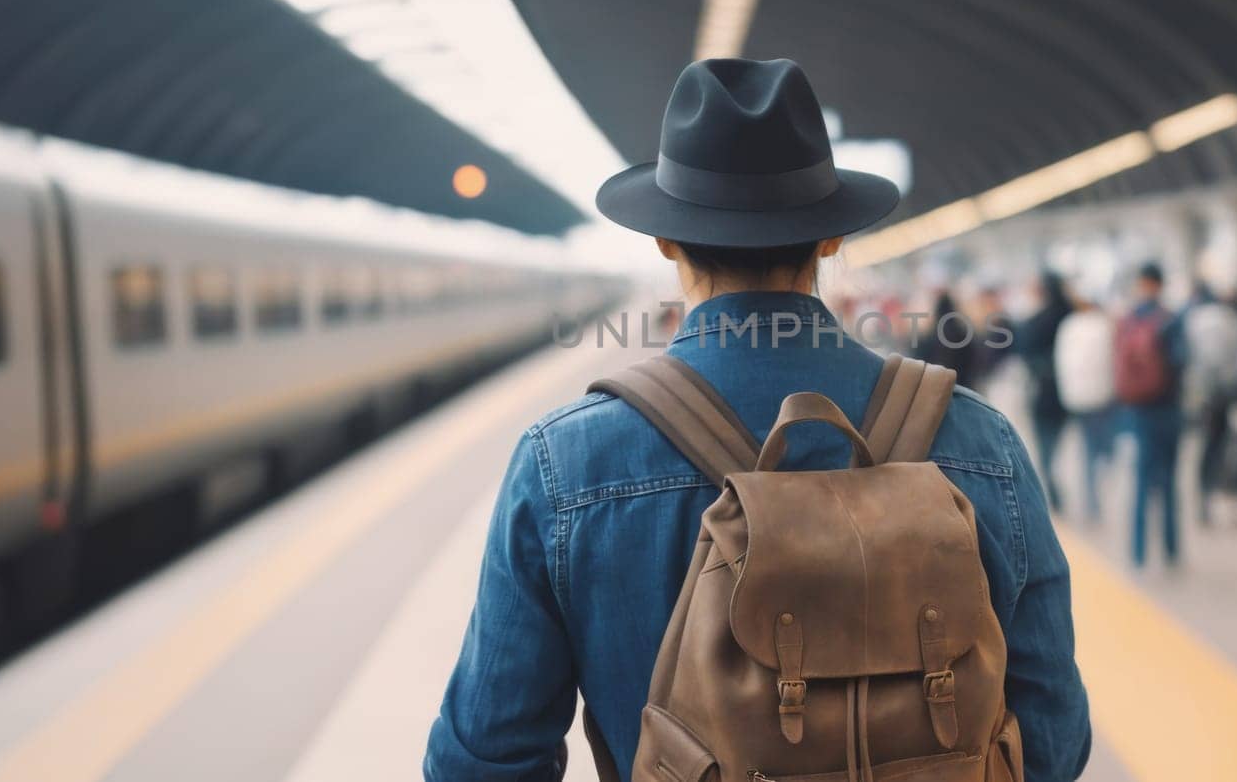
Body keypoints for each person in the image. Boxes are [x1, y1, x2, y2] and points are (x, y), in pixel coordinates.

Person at [424, 59, 1092, 781]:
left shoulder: (567, 464)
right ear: (831, 239)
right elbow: (1055, 738)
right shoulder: (978, 441)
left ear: (665, 241)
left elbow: (483, 761)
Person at [1115, 262, 1186, 568]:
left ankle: (1138, 552)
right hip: (1167, 409)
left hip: (1138, 411)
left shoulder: (1128, 320)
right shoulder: (1170, 319)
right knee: (1169, 482)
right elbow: (1182, 360)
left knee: (1141, 481)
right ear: (1161, 284)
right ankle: (1171, 549)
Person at [1182, 282, 1237, 527]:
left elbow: (1188, 359)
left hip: (1204, 396)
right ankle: (1232, 503)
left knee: (1207, 449)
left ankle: (1204, 502)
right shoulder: (1232, 320)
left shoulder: (1193, 320)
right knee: (1230, 449)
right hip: (1230, 393)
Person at [1056, 291, 1118, 523]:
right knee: (1100, 447)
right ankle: (1096, 496)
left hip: (1077, 397)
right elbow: (1112, 362)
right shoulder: (1104, 327)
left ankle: (1090, 501)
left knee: (1086, 450)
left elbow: (1062, 362)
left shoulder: (1069, 326)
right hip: (1102, 397)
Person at [1016, 271, 1072, 511]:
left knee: (1044, 449)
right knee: (1062, 446)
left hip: (1042, 393)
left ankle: (1050, 490)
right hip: (1069, 392)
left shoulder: (1034, 322)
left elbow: (1022, 352)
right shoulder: (1070, 314)